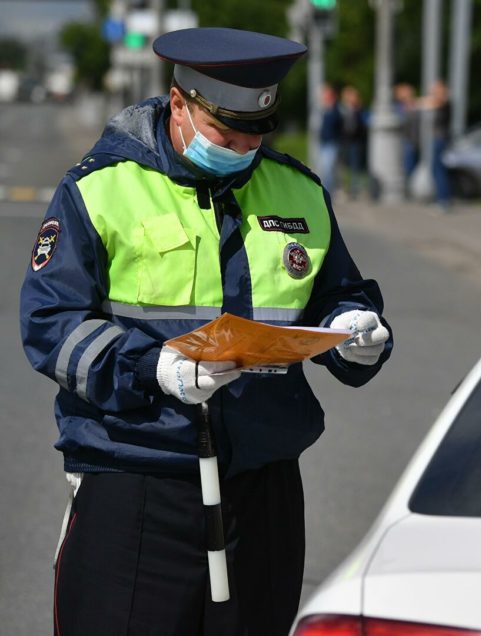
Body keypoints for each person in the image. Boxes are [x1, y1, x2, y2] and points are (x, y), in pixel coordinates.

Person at [20, 27, 393, 635]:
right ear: (179, 106)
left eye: (257, 132)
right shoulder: (98, 189)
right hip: (138, 481)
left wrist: (354, 330)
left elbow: (337, 294)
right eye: (226, 132)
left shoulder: (299, 190)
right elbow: (50, 324)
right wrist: (153, 368)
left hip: (260, 488)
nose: (244, 146)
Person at [418, 79, 452, 211]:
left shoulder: (443, 102)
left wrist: (427, 98)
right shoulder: (442, 102)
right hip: (437, 139)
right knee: (436, 169)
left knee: (438, 170)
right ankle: (441, 198)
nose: (432, 91)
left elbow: (429, 103)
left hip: (439, 140)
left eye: (435, 89)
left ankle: (443, 200)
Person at [339, 84, 369, 200]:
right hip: (345, 142)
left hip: (356, 143)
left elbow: (362, 126)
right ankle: (346, 188)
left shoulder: (359, 110)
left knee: (356, 167)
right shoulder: (342, 110)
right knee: (344, 167)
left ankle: (354, 189)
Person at [318, 83, 343, 195]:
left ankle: (329, 191)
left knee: (328, 169)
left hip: (332, 143)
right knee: (325, 169)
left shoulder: (335, 109)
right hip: (324, 143)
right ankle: (328, 189)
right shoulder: (326, 110)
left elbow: (337, 125)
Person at [393, 82, 419, 186]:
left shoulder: (415, 105)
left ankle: (410, 186)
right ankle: (407, 187)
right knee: (406, 166)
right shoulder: (398, 107)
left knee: (412, 166)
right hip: (405, 141)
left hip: (415, 141)